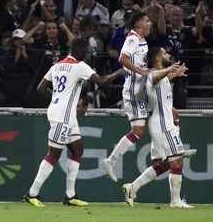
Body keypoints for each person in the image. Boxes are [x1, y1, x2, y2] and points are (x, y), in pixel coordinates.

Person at [23, 38, 126, 207]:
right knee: (53, 154)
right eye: (86, 51)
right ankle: (32, 193)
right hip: (62, 116)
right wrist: (117, 73)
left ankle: (70, 196)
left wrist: (57, 100)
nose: (87, 54)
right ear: (78, 51)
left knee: (77, 150)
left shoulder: (56, 66)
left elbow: (40, 88)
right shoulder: (80, 66)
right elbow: (100, 81)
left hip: (65, 115)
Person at [122, 46, 194, 208]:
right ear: (158, 58)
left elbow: (163, 79)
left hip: (163, 124)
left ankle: (132, 187)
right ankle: (175, 201)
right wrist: (169, 70)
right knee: (176, 162)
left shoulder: (163, 76)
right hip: (163, 125)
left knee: (164, 165)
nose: (168, 54)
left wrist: (174, 74)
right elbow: (155, 78)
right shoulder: (152, 73)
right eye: (165, 53)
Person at [101, 11, 152, 182]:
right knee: (138, 130)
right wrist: (141, 71)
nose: (150, 22)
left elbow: (135, 63)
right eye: (147, 20)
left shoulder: (141, 39)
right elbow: (123, 58)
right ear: (138, 24)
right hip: (133, 90)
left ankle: (173, 151)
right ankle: (111, 160)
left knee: (164, 114)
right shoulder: (133, 38)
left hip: (142, 88)